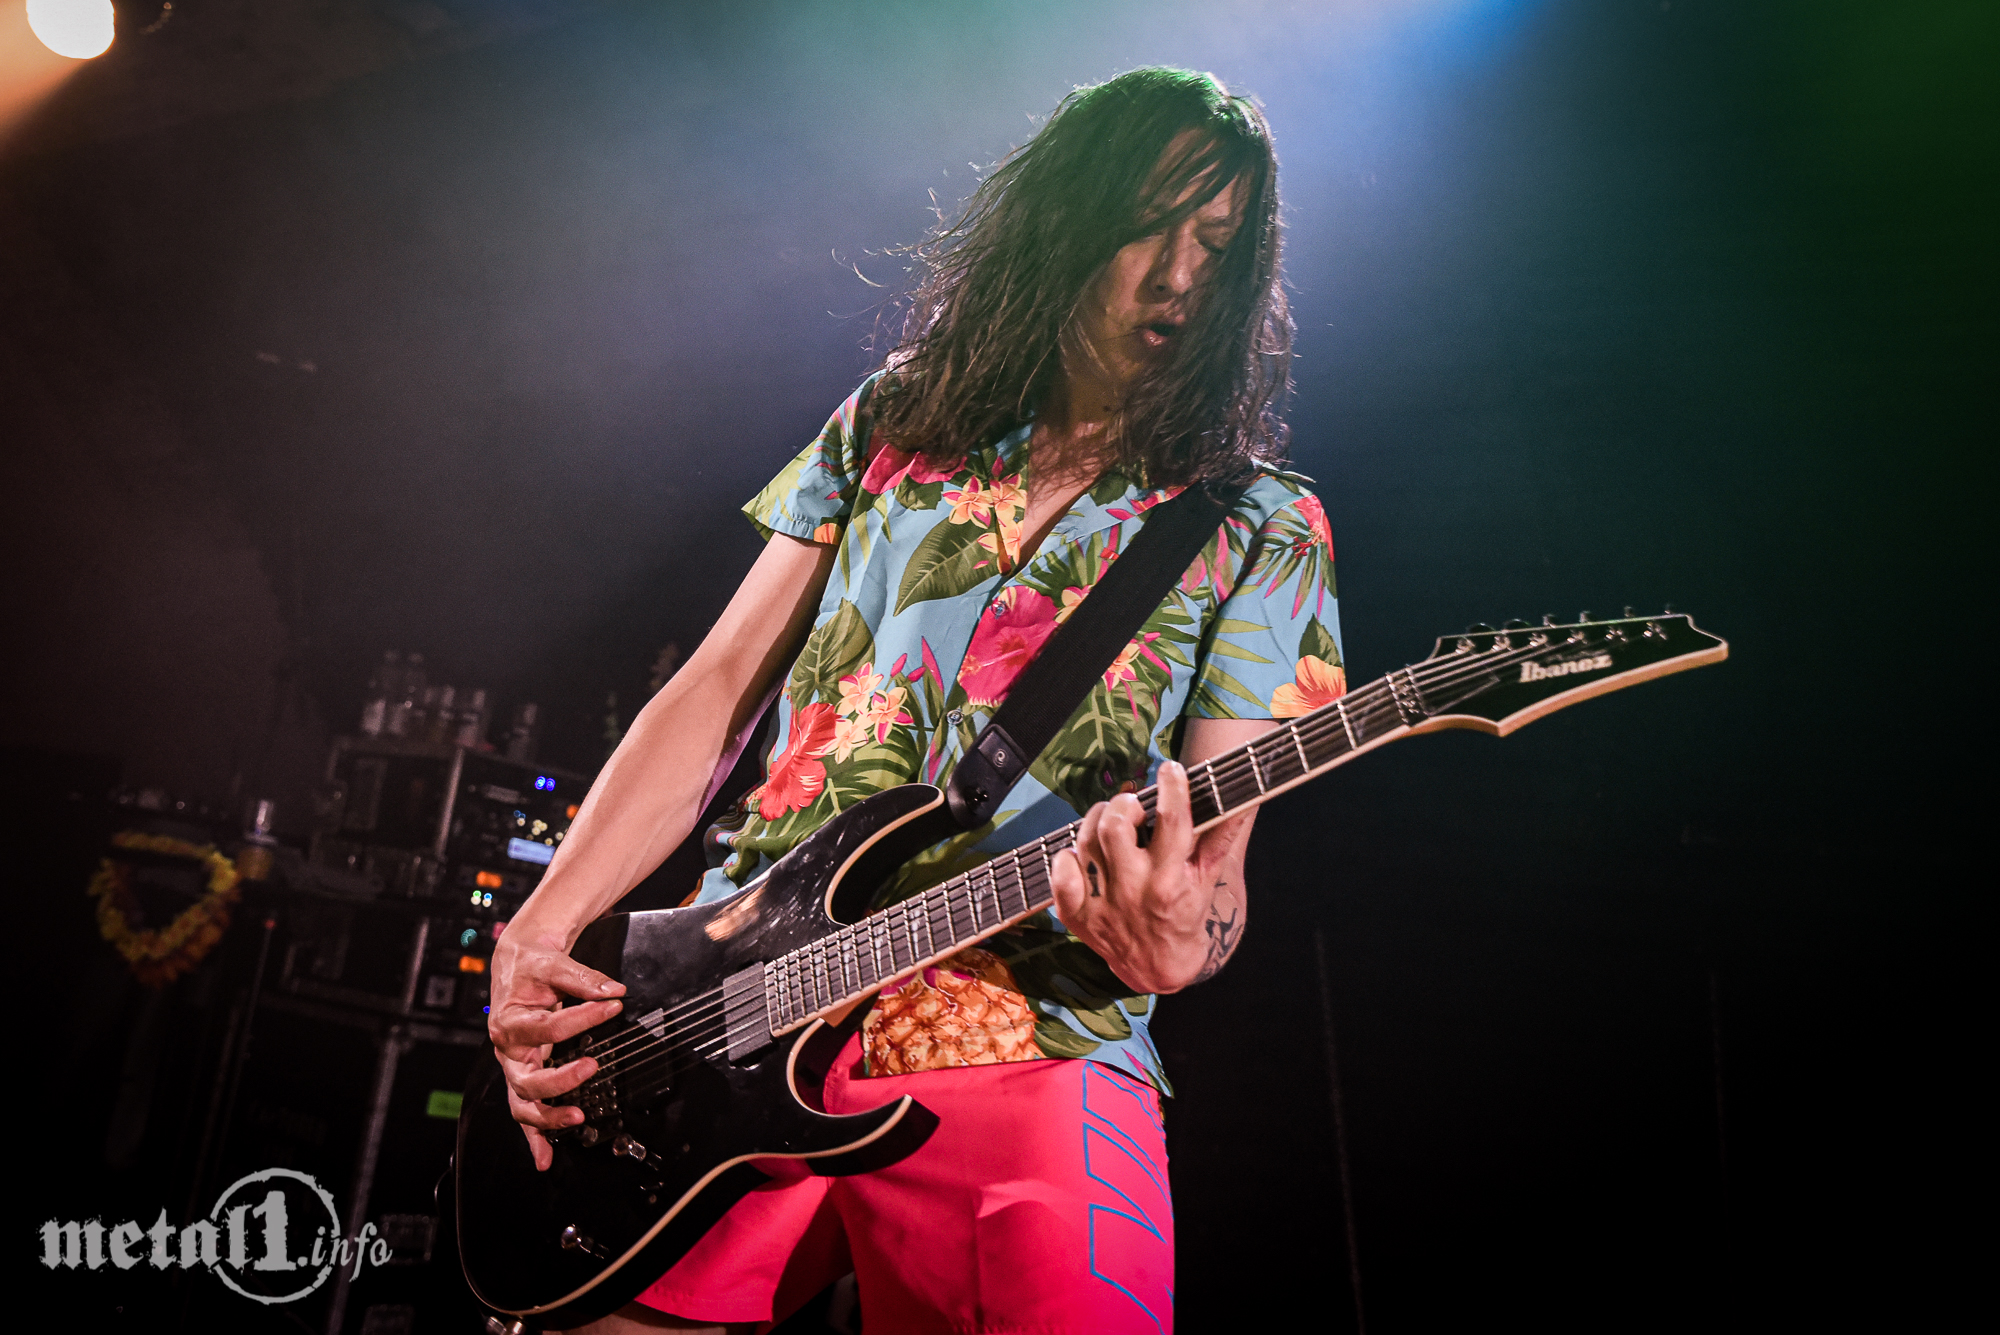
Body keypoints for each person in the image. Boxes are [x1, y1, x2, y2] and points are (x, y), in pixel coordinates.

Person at [487, 67, 1343, 1334]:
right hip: (730, 1013)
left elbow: (1213, 880)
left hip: (1029, 1040)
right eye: (1146, 225)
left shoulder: (1263, 524)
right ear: (1064, 219)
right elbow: (715, 688)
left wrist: (1175, 939)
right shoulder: (894, 421)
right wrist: (543, 926)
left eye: (1215, 245)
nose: (1177, 276)